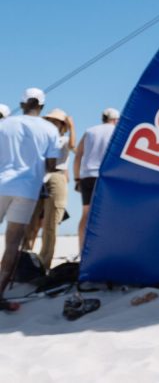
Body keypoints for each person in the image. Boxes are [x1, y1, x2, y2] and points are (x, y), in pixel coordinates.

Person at [0, 88, 62, 310]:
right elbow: (52, 165)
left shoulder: (4, 124)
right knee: (13, 243)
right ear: (42, 106)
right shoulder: (50, 129)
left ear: (22, 103)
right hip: (27, 189)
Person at [22, 108, 75, 270]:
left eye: (56, 121)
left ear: (62, 125)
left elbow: (73, 146)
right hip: (38, 178)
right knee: (29, 222)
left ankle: (45, 263)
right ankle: (24, 260)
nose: (52, 123)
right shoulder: (41, 140)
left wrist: (72, 127)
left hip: (56, 177)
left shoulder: (64, 140)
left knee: (51, 224)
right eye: (50, 121)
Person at [74, 108, 119, 252]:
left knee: (86, 214)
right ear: (116, 120)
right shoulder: (117, 131)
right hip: (106, 177)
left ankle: (82, 250)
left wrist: (77, 178)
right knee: (107, 214)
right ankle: (104, 249)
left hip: (87, 176)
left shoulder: (90, 131)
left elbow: (78, 155)